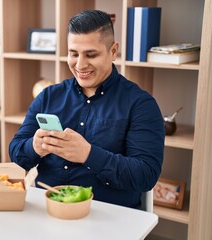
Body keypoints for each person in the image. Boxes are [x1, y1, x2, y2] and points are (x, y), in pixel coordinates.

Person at [9, 9, 165, 208]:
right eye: (74, 54)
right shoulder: (48, 96)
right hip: (47, 210)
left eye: (91, 54)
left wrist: (88, 154)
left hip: (109, 216)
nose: (80, 65)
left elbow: (145, 175)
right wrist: (35, 146)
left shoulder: (141, 105)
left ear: (113, 51)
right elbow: (16, 154)